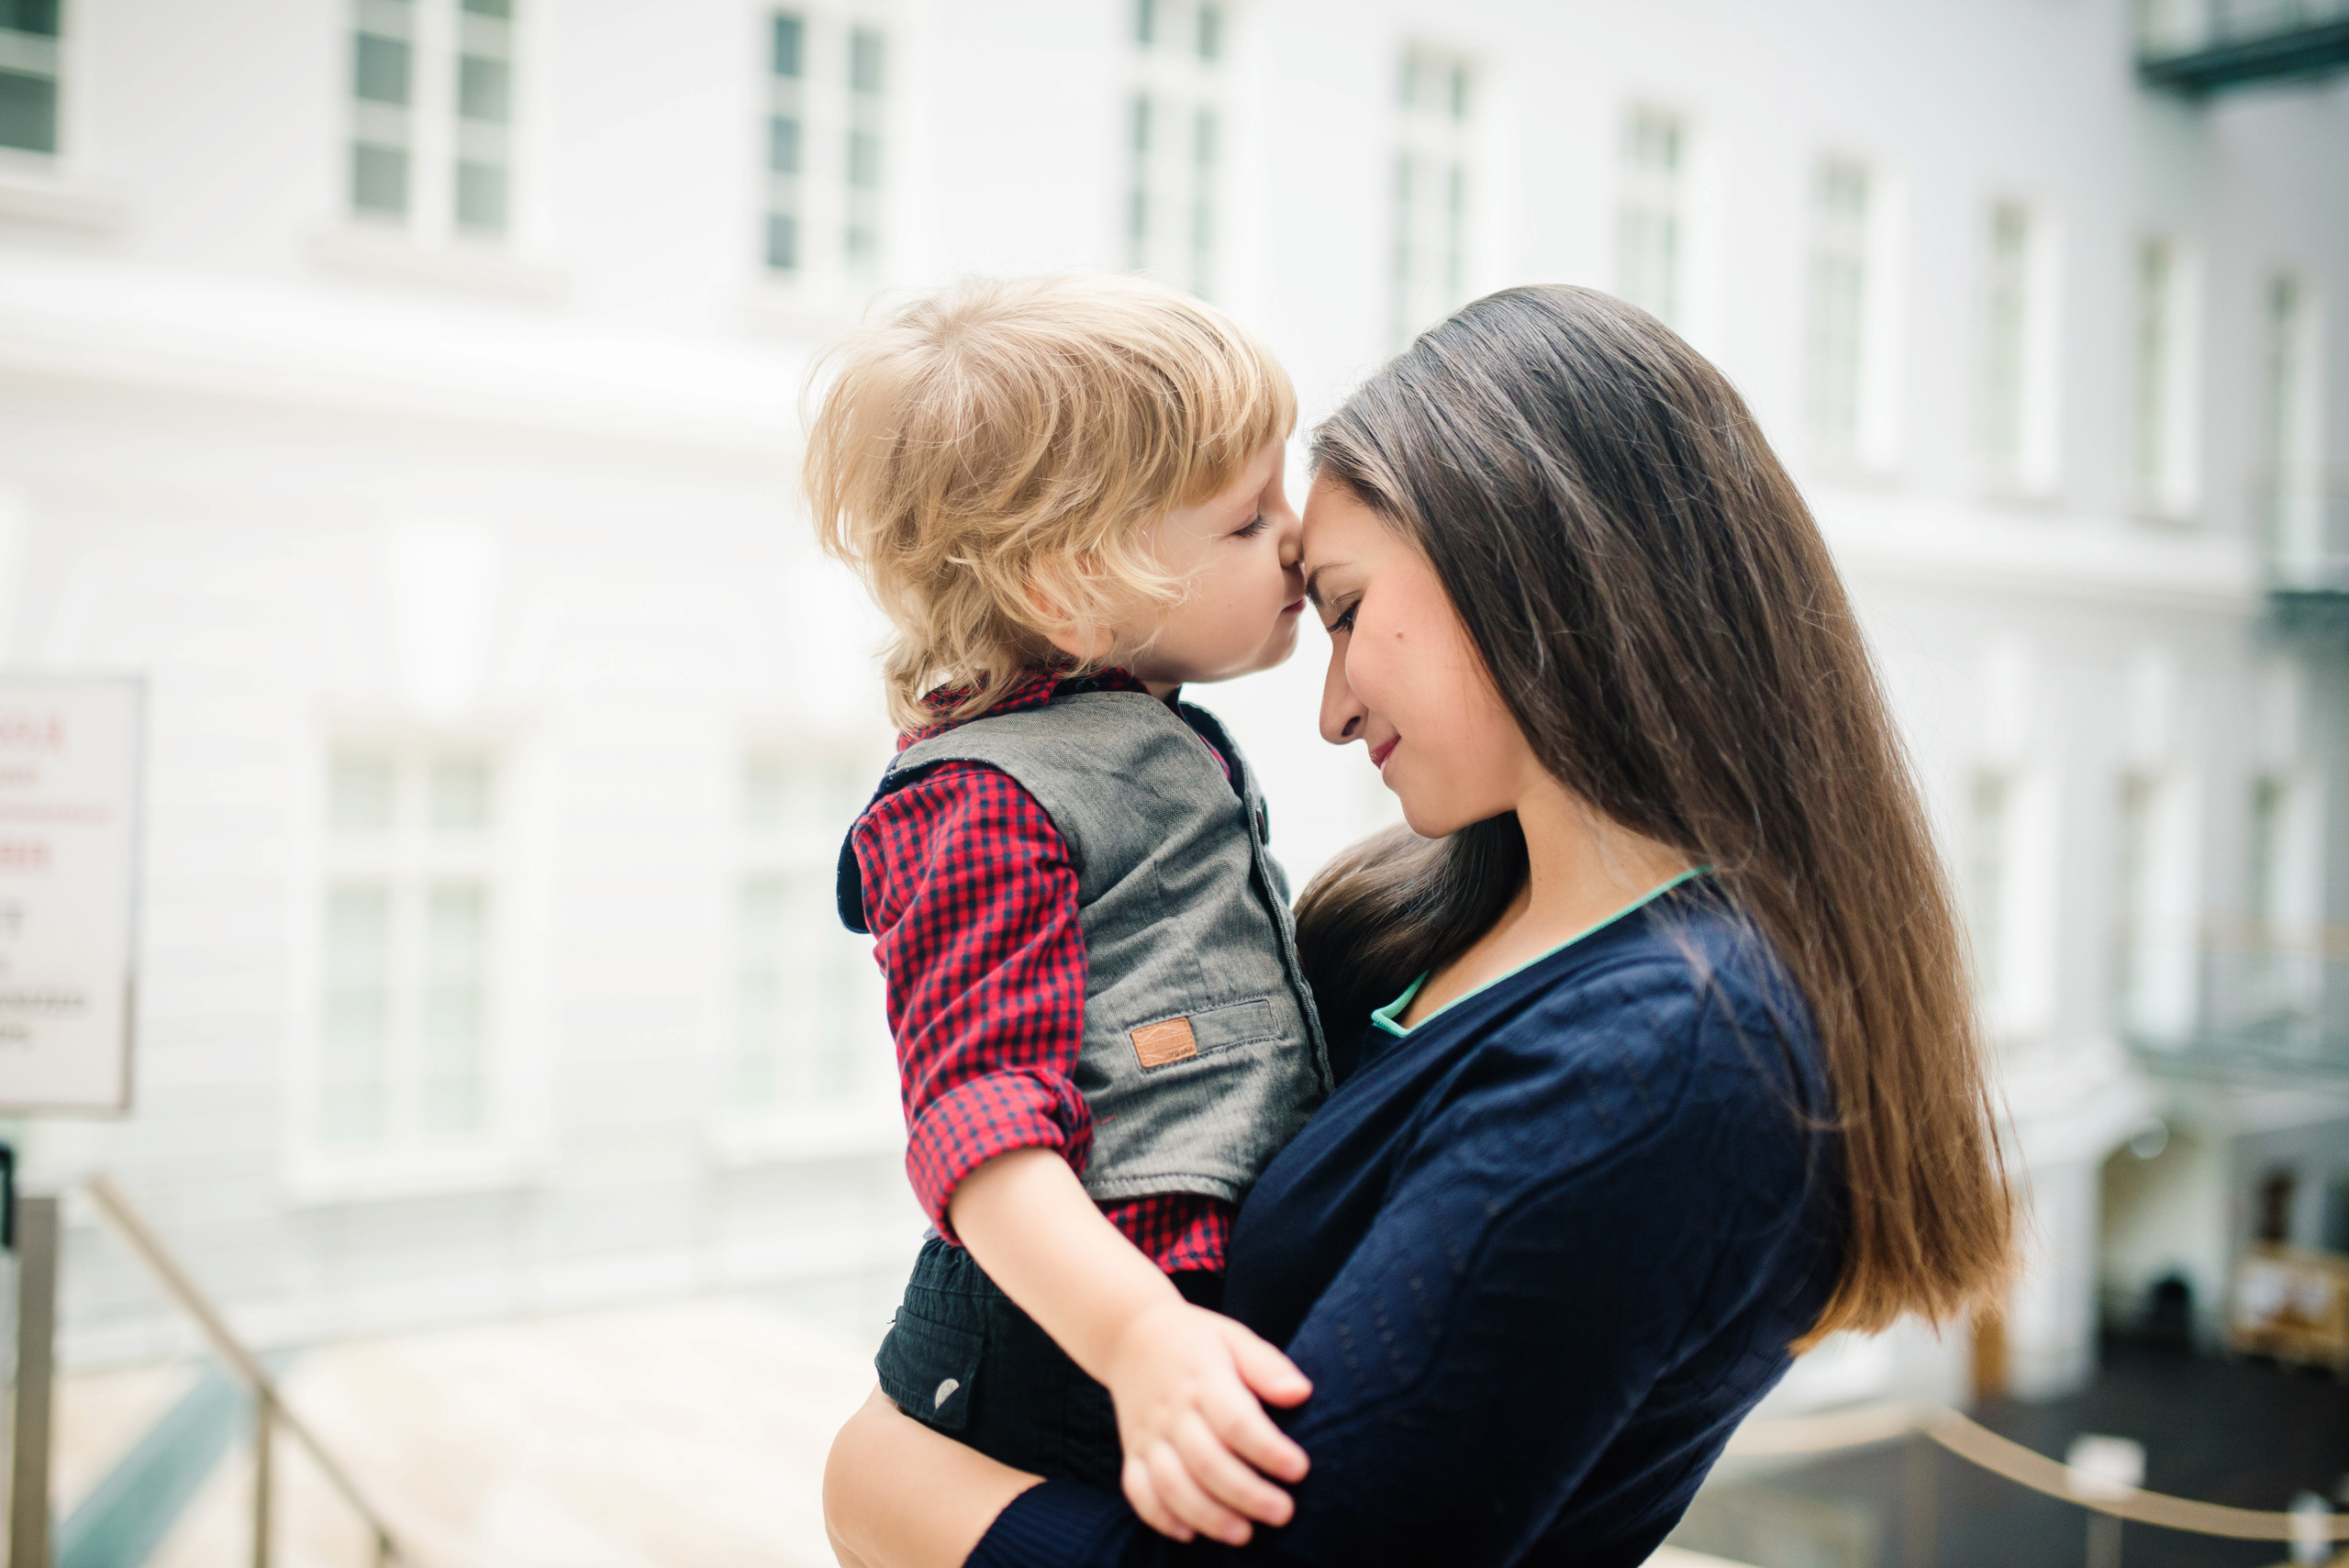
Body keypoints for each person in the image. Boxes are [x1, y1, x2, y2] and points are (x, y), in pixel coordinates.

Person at [820, 284, 2017, 1568]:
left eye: (1338, 605)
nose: (1329, 706)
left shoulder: (1664, 1057)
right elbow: (1008, 1106)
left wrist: (882, 1486)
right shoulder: (1407, 917)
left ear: (1524, 572)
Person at [806, 274, 1337, 1543]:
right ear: (1071, 584)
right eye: (1246, 518)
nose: (1298, 539)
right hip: (1064, 1359)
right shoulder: (983, 800)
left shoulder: (1142, 733)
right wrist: (1138, 1333)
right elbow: (980, 1134)